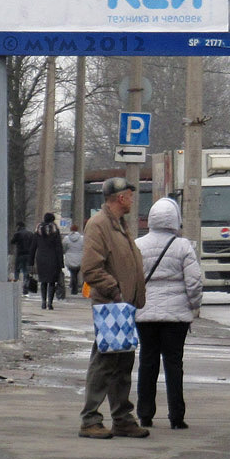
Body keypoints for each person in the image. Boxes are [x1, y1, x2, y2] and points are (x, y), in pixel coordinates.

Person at [78, 176, 149, 439]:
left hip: (123, 305)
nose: (132, 199)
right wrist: (116, 290)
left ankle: (122, 418)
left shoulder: (119, 224)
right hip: (111, 304)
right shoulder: (99, 225)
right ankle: (90, 420)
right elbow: (91, 269)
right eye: (130, 195)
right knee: (104, 362)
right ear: (120, 198)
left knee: (122, 363)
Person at [135, 197, 202, 430]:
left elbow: (132, 279)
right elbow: (194, 282)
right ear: (175, 219)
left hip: (145, 313)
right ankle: (176, 416)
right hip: (176, 316)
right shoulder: (183, 246)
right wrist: (193, 305)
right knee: (174, 364)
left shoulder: (138, 245)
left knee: (147, 362)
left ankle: (144, 414)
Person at [31, 212, 64, 309]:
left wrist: (31, 261)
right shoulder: (55, 230)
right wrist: (61, 263)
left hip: (40, 258)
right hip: (53, 258)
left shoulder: (38, 231)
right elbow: (59, 247)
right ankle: (50, 302)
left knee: (43, 281)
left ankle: (43, 302)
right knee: (52, 281)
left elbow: (33, 246)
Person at [9, 221, 35, 296]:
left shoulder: (18, 234)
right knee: (26, 272)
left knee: (17, 270)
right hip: (28, 255)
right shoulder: (30, 234)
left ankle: (16, 288)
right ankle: (25, 289)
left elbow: (12, 242)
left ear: (18, 226)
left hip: (20, 254)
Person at [62, 224, 84, 294]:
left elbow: (64, 247)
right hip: (79, 257)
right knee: (76, 272)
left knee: (72, 272)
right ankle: (74, 287)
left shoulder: (66, 238)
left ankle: (73, 287)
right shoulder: (82, 238)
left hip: (69, 257)